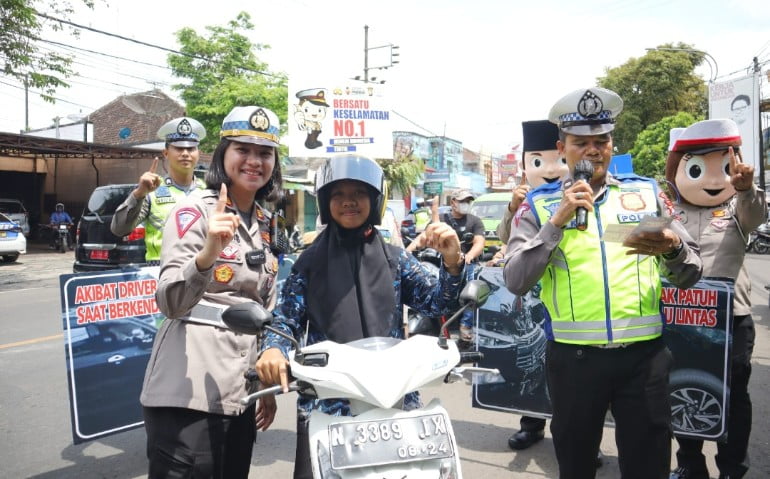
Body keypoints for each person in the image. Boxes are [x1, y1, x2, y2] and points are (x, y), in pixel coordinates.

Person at [503, 86, 703, 479]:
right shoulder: (540, 205)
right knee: (576, 466)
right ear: (563, 148)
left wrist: (673, 245)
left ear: (612, 145)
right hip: (575, 363)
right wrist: (556, 223)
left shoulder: (645, 195)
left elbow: (690, 271)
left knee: (648, 467)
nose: (592, 150)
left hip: (644, 358)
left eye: (601, 141)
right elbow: (515, 279)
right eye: (581, 143)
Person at [255, 154, 467, 479]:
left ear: (375, 200)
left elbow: (438, 304)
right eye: (339, 194)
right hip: (329, 400)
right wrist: (272, 348)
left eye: (359, 193)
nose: (349, 202)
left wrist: (452, 262)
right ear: (327, 202)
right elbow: (286, 319)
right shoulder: (307, 263)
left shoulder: (398, 260)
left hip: (395, 394)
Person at [141, 105, 284, 478]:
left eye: (264, 153)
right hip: (187, 394)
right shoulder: (194, 212)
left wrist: (264, 384)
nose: (254, 161)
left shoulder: (267, 224)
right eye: (243, 150)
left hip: (239, 394)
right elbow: (170, 302)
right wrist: (208, 252)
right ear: (224, 155)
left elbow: (264, 307)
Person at [665, 119, 764, 479]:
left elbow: (756, 217)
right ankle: (690, 462)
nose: (710, 179)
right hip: (680, 318)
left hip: (731, 318)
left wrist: (747, 189)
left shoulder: (739, 206)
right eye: (696, 167)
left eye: (721, 165)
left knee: (734, 396)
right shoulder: (669, 211)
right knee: (682, 388)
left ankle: (732, 467)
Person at [496, 120, 568, 451]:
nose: (551, 169)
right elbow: (504, 237)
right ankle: (532, 423)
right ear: (527, 166)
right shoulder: (524, 202)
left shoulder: (579, 195)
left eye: (560, 159)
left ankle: (582, 435)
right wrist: (513, 208)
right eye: (538, 161)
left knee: (570, 377)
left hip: (569, 298)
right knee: (532, 365)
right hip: (530, 293)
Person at [111, 116, 207, 265]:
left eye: (191, 148)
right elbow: (119, 229)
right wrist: (139, 194)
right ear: (166, 153)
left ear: (198, 153)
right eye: (179, 148)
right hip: (160, 270)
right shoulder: (151, 192)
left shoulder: (208, 191)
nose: (185, 153)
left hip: (201, 269)